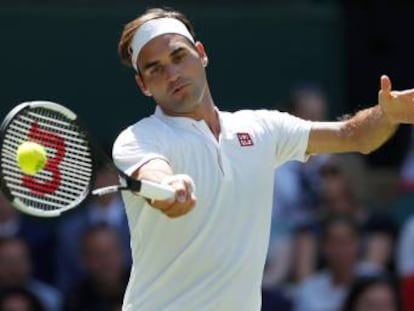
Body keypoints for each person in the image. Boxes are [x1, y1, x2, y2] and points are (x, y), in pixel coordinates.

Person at [113, 7, 414, 311]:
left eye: (179, 56)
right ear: (143, 85)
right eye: (155, 69)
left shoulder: (261, 128)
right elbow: (153, 172)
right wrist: (168, 186)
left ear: (201, 54)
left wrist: (387, 115)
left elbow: (355, 137)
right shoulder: (138, 139)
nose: (173, 74)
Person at [63, 224, 129, 311]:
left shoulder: (142, 286)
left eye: (110, 252)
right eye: (97, 255)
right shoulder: (76, 298)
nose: (106, 261)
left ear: (122, 253)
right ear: (84, 260)